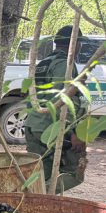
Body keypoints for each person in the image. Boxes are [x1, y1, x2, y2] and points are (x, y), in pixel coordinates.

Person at [25, 25, 87, 193]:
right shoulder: (64, 65)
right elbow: (61, 101)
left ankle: (34, 199)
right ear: (75, 44)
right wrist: (72, 133)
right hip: (50, 128)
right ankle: (39, 197)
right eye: (80, 43)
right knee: (75, 172)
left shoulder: (43, 63)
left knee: (40, 175)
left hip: (33, 125)